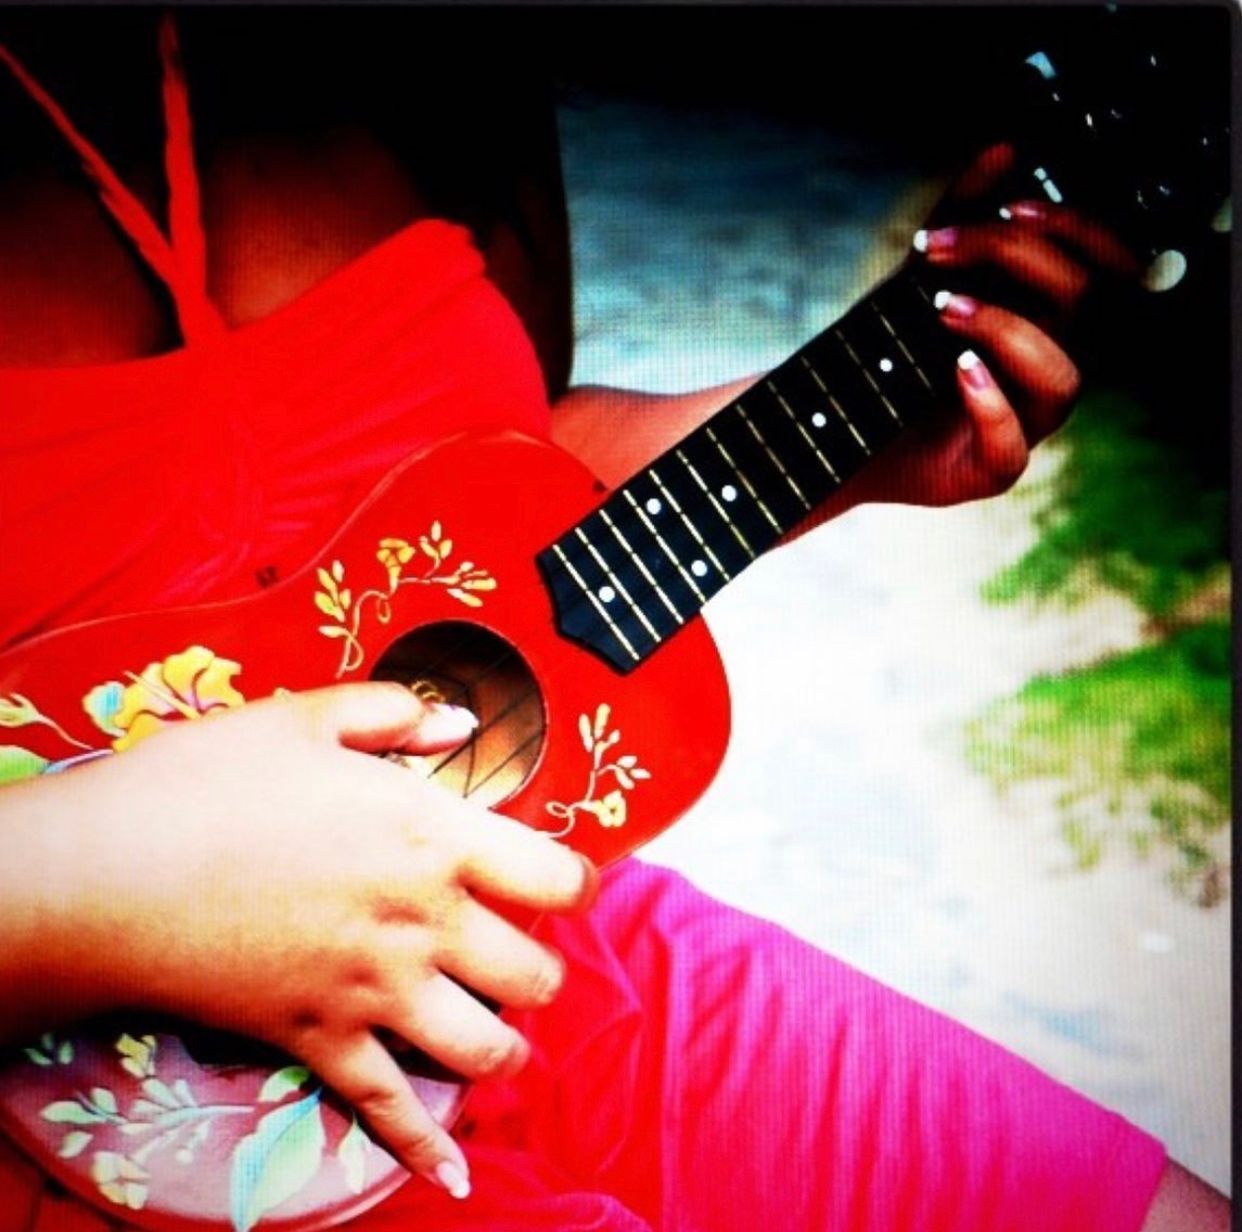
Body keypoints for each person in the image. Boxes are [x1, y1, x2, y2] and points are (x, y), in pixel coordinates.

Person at [0, 10, 1228, 1231]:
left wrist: (844, 422)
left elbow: (487, 491)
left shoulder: (400, 41)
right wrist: (99, 880)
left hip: (511, 950)